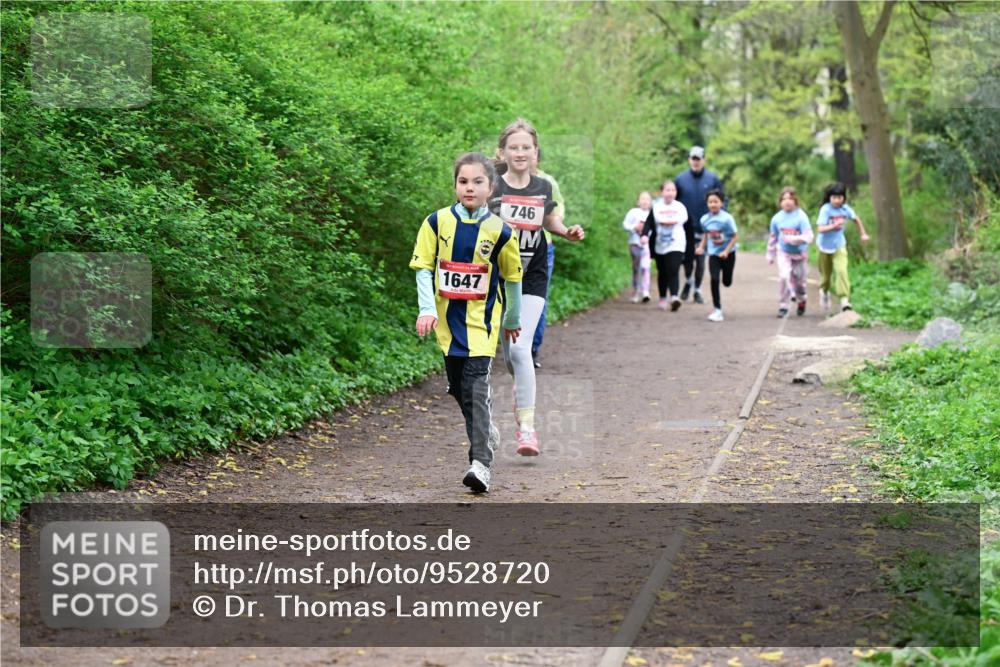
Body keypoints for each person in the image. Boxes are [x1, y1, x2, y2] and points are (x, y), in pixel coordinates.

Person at [410, 152, 523, 493]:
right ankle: (487, 430)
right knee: (459, 389)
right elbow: (424, 267)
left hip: (482, 327)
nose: (469, 188)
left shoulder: (501, 231)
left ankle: (480, 464)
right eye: (463, 181)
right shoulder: (436, 222)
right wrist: (427, 309)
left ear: (491, 187)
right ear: (455, 185)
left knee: (475, 390)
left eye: (477, 182)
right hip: (447, 325)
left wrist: (512, 318)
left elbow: (513, 277)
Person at [490, 118, 585, 456]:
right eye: (514, 147)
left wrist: (566, 232)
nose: (520, 152)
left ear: (535, 152)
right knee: (510, 355)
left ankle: (526, 429)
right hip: (496, 278)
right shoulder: (492, 186)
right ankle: (522, 388)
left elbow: (549, 220)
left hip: (532, 274)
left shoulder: (543, 187)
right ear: (502, 152)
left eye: (526, 147)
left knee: (519, 349)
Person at [675, 146, 727, 304]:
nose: (695, 162)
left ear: (704, 160)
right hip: (685, 228)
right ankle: (689, 281)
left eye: (698, 159)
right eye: (693, 159)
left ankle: (696, 289)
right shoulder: (680, 179)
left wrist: (721, 221)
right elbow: (673, 201)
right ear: (689, 160)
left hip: (706, 227)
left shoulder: (712, 179)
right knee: (687, 260)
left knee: (701, 259)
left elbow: (723, 200)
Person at [530, 147, 566, 367]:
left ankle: (532, 349)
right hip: (510, 247)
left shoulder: (547, 182)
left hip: (542, 248)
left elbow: (557, 213)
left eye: (530, 150)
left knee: (538, 301)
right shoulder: (503, 181)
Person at [815, 181, 869, 312]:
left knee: (841, 270)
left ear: (844, 197)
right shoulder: (826, 209)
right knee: (826, 276)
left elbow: (856, 219)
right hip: (824, 246)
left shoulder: (845, 209)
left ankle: (844, 299)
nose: (837, 200)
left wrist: (863, 234)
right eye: (834, 197)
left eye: (839, 197)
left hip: (839, 244)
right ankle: (824, 290)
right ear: (829, 197)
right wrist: (834, 226)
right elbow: (820, 229)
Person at [766, 187, 814, 317]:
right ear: (780, 202)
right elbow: (773, 237)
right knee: (784, 276)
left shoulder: (801, 217)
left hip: (800, 254)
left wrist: (793, 239)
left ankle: (801, 299)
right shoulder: (777, 218)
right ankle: (784, 305)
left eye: (790, 198)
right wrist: (770, 253)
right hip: (783, 252)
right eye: (784, 199)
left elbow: (809, 237)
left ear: (795, 201)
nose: (787, 202)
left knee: (800, 282)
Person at [641, 180, 688, 311]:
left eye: (673, 190)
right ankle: (662, 297)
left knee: (673, 269)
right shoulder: (656, 207)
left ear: (676, 193)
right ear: (662, 192)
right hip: (660, 244)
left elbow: (689, 226)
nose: (670, 193)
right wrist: (644, 235)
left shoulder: (680, 207)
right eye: (667, 190)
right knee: (662, 272)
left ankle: (674, 297)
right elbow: (648, 223)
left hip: (677, 243)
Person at [695, 189, 738, 322]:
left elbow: (735, 236)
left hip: (728, 254)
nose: (713, 204)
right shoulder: (704, 219)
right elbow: (707, 234)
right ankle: (717, 310)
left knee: (727, 282)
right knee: (714, 279)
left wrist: (726, 251)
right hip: (714, 254)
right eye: (710, 202)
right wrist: (702, 247)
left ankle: (727, 278)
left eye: (715, 202)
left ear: (721, 203)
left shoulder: (727, 219)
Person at [622, 191, 652, 303]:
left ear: (650, 202)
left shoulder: (652, 214)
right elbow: (625, 225)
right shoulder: (633, 212)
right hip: (634, 244)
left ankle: (645, 292)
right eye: (642, 199)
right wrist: (634, 228)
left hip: (647, 246)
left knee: (646, 268)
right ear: (638, 202)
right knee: (636, 269)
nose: (645, 201)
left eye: (647, 199)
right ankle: (636, 292)